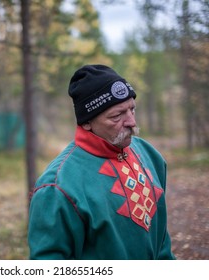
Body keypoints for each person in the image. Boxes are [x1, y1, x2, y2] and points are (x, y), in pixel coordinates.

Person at [27, 64, 175, 260]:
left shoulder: (150, 155)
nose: (131, 122)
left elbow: (161, 240)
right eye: (116, 115)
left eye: (132, 109)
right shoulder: (57, 187)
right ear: (87, 122)